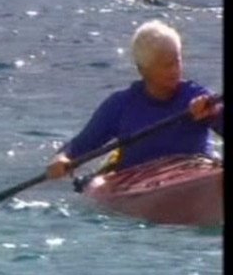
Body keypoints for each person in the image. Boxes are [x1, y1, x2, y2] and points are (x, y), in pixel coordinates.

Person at [47, 19, 223, 180]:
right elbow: (80, 146)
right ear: (143, 69)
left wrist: (213, 113)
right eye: (166, 65)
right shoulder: (120, 106)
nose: (175, 70)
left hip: (195, 176)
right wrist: (62, 158)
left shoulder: (197, 97)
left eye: (177, 61)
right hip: (139, 182)